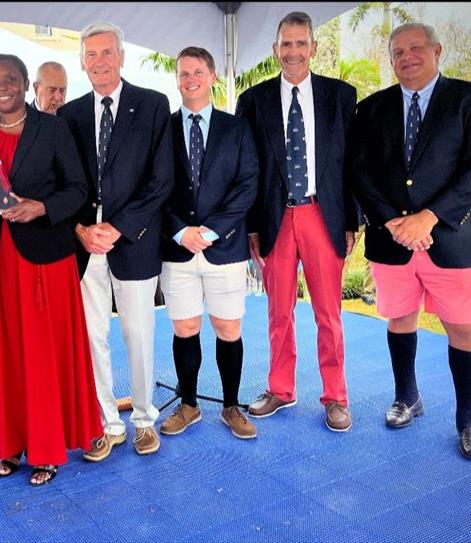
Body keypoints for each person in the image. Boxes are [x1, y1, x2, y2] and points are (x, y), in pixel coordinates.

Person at [350, 23, 471, 459]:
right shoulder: (372, 107)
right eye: (398, 51)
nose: (407, 56)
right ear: (390, 59)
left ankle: (468, 418)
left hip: (450, 238)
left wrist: (429, 218)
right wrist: (394, 221)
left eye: (416, 48)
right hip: (392, 239)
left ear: (436, 50)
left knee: (465, 328)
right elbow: (359, 170)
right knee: (399, 319)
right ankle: (406, 396)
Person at [0, 54, 103, 486]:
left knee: (43, 354)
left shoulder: (54, 128)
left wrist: (41, 207)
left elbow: (79, 189)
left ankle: (47, 448)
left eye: (11, 79)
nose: (2, 86)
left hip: (45, 258)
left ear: (26, 84)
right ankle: (11, 444)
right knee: (4, 352)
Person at [235, 11, 359, 432]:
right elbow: (249, 169)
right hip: (275, 219)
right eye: (285, 44)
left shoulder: (341, 96)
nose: (292, 51)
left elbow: (351, 164)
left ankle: (336, 396)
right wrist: (252, 226)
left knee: (329, 313)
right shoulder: (253, 101)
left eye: (300, 43)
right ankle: (281, 388)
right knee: (278, 311)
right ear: (274, 51)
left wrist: (351, 221)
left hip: (322, 214)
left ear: (313, 48)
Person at [59, 21, 174, 460]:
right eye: (91, 55)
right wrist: (81, 230)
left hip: (134, 241)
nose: (99, 62)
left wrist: (119, 227)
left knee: (138, 334)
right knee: (92, 338)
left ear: (122, 56)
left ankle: (144, 419)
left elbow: (161, 179)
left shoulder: (152, 105)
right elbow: (64, 184)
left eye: (107, 52)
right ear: (83, 62)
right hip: (85, 245)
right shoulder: (69, 116)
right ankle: (107, 423)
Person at [158, 47, 259, 440]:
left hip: (225, 246)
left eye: (197, 72)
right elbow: (154, 189)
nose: (190, 79)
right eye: (183, 73)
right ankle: (188, 405)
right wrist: (181, 231)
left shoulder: (237, 128)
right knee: (185, 327)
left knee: (227, 327)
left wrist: (211, 230)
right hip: (177, 246)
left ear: (212, 76)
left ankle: (231, 406)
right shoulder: (162, 129)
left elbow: (247, 184)